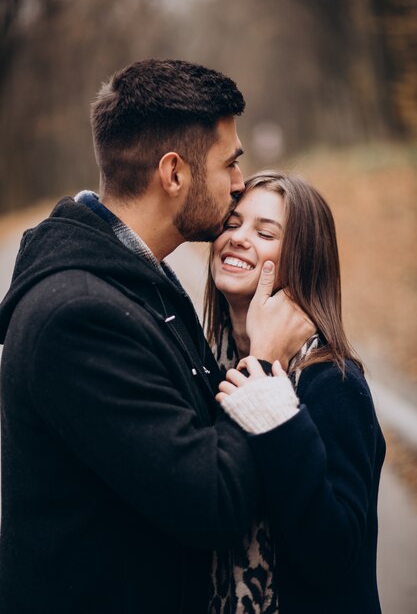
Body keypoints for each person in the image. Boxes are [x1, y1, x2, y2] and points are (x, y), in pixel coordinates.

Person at [0, 61, 313, 613]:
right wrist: (265, 360)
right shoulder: (78, 318)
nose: (240, 183)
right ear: (174, 173)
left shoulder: (143, 276)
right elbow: (213, 503)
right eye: (230, 163)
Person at [205, 171, 386, 614]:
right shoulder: (206, 366)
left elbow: (332, 554)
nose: (238, 238)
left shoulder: (333, 383)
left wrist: (273, 407)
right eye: (232, 223)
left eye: (265, 232)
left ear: (301, 261)